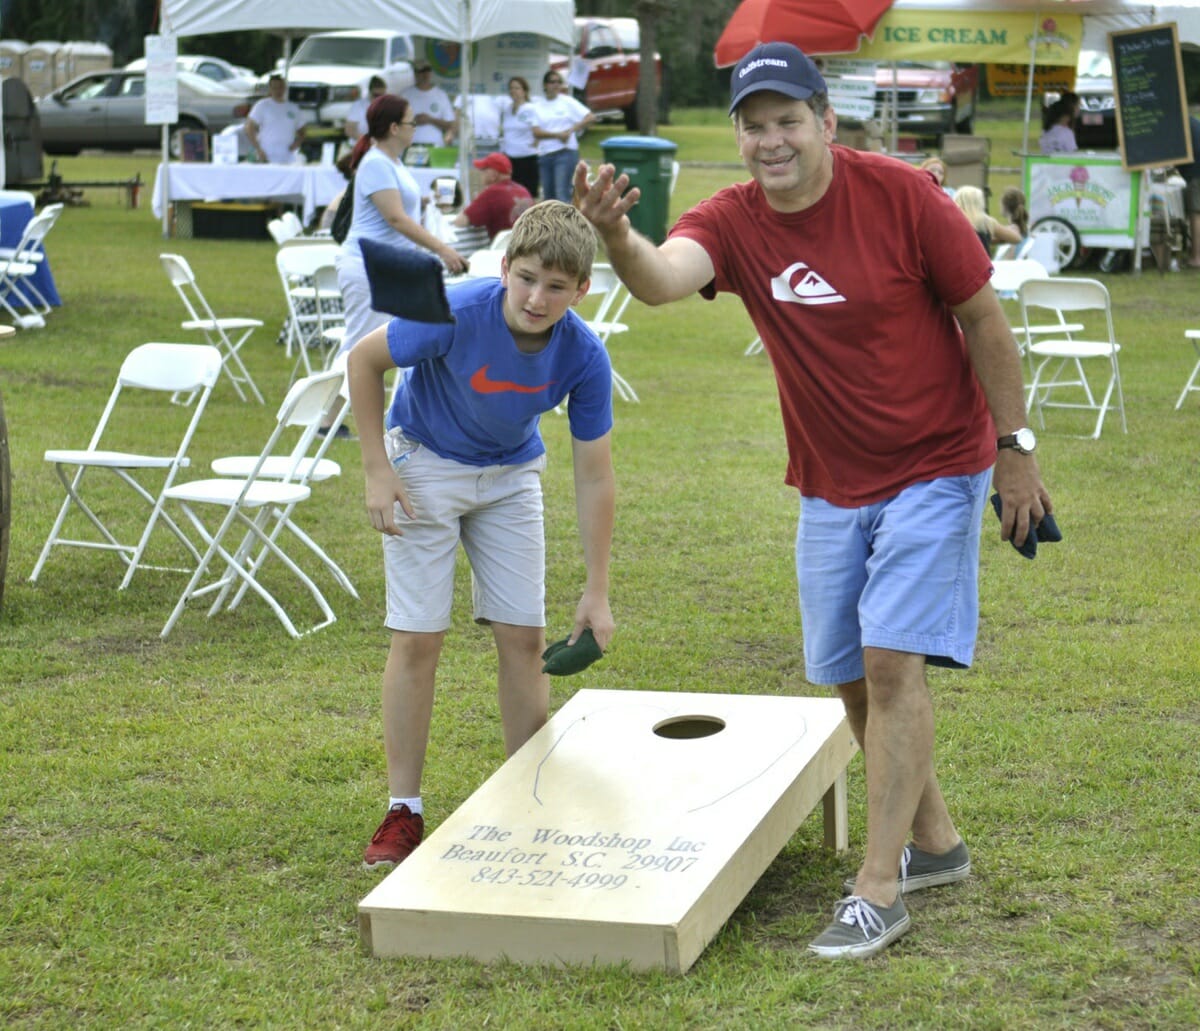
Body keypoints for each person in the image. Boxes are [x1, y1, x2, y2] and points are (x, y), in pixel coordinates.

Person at [574, 41, 1052, 959]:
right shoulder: (733, 218)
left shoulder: (906, 198)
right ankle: (935, 842)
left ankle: (879, 888)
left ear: (827, 122)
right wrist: (618, 238)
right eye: (754, 127)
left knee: (889, 662)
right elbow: (664, 280)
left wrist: (1015, 450)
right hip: (830, 480)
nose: (771, 141)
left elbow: (984, 319)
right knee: (847, 675)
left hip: (936, 463)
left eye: (788, 121)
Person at [347, 199, 617, 869]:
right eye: (526, 278)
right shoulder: (453, 310)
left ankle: (528, 800)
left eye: (556, 286)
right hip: (424, 463)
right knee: (419, 637)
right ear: (504, 268)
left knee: (523, 638)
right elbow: (363, 360)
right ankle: (404, 809)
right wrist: (378, 469)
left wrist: (597, 589)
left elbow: (594, 475)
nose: (537, 298)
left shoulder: (585, 354)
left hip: (510, 474)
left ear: (581, 290)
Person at [328, 95, 469, 437]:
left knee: (409, 338)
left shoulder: (392, 162)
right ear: (394, 128)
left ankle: (415, 418)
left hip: (389, 268)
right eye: (411, 122)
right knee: (360, 343)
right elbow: (395, 218)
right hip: (367, 266)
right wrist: (443, 250)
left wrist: (426, 202)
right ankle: (325, 417)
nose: (415, 128)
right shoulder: (377, 163)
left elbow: (397, 207)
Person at [532, 70, 594, 203]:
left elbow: (590, 117)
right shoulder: (537, 105)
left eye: (558, 82)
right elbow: (536, 132)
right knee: (548, 197)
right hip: (545, 154)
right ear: (545, 85)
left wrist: (571, 130)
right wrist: (558, 135)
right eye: (552, 82)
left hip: (565, 153)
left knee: (562, 193)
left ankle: (566, 217)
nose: (556, 85)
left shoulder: (567, 102)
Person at [454, 152, 534, 241]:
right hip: (530, 244)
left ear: (493, 175)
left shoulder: (492, 193)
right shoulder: (523, 190)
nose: (481, 173)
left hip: (506, 247)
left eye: (483, 169)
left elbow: (460, 222)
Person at [246, 74, 306, 165]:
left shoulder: (293, 108)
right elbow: (249, 127)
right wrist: (258, 149)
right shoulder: (262, 105)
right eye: (275, 87)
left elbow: (302, 131)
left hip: (288, 155)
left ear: (285, 88)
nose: (278, 90)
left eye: (280, 87)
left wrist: (297, 143)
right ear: (270, 89)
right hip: (266, 153)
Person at [498, 76, 540, 198]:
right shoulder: (507, 110)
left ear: (524, 91)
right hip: (510, 158)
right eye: (511, 88)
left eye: (517, 88)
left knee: (528, 195)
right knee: (512, 196)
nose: (513, 91)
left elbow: (538, 129)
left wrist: (536, 142)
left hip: (527, 157)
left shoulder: (530, 109)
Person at [953, 185, 1023, 254]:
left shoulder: (953, 222)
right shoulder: (986, 222)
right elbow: (1017, 239)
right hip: (980, 261)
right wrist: (1012, 229)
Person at [402, 61, 456, 147]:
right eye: (421, 71)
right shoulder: (405, 94)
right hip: (411, 145)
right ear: (415, 73)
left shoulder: (441, 95)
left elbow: (450, 124)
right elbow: (397, 123)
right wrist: (414, 121)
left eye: (427, 70)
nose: (425, 74)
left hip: (435, 146)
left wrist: (431, 120)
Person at [1175, 114, 1200, 267]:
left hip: (1197, 172)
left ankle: (1196, 258)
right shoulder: (1189, 120)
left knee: (1195, 214)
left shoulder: (1175, 123)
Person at [344, 75, 387, 145]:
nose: (379, 99)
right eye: (376, 95)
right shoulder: (358, 106)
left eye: (382, 96)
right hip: (359, 146)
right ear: (369, 93)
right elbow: (349, 130)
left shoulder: (387, 106)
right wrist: (367, 141)